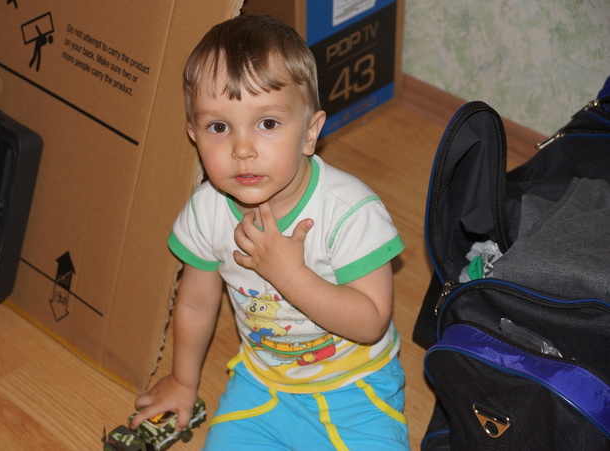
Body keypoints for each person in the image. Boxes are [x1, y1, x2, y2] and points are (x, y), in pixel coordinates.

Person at [131, 14, 409, 450]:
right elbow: (197, 303)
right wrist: (183, 381)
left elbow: (372, 321)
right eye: (218, 127)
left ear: (310, 133)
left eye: (267, 123)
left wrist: (289, 274)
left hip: (356, 387)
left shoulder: (350, 212)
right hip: (261, 384)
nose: (242, 149)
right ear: (194, 135)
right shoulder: (206, 211)